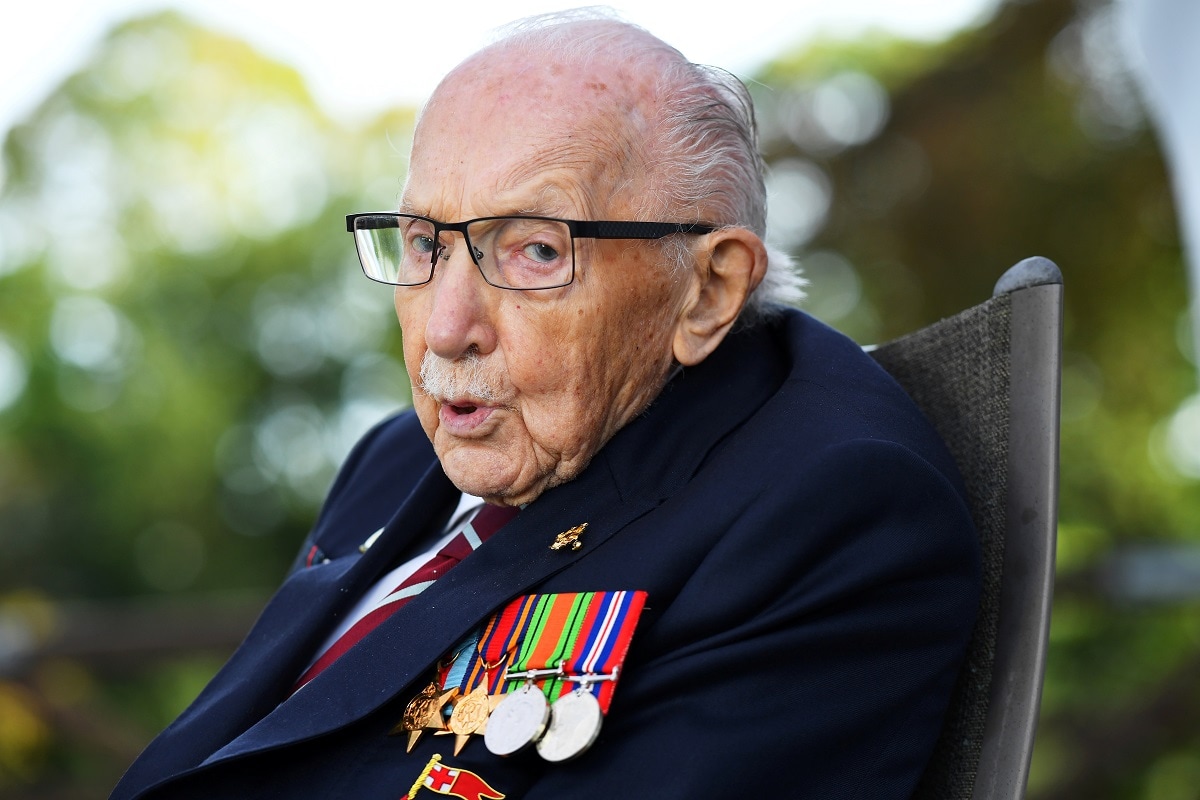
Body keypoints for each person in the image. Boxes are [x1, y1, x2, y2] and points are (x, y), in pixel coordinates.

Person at [112, 11, 979, 800]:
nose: (446, 328)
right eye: (424, 243)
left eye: (533, 250)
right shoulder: (397, 456)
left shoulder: (831, 508)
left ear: (709, 290)